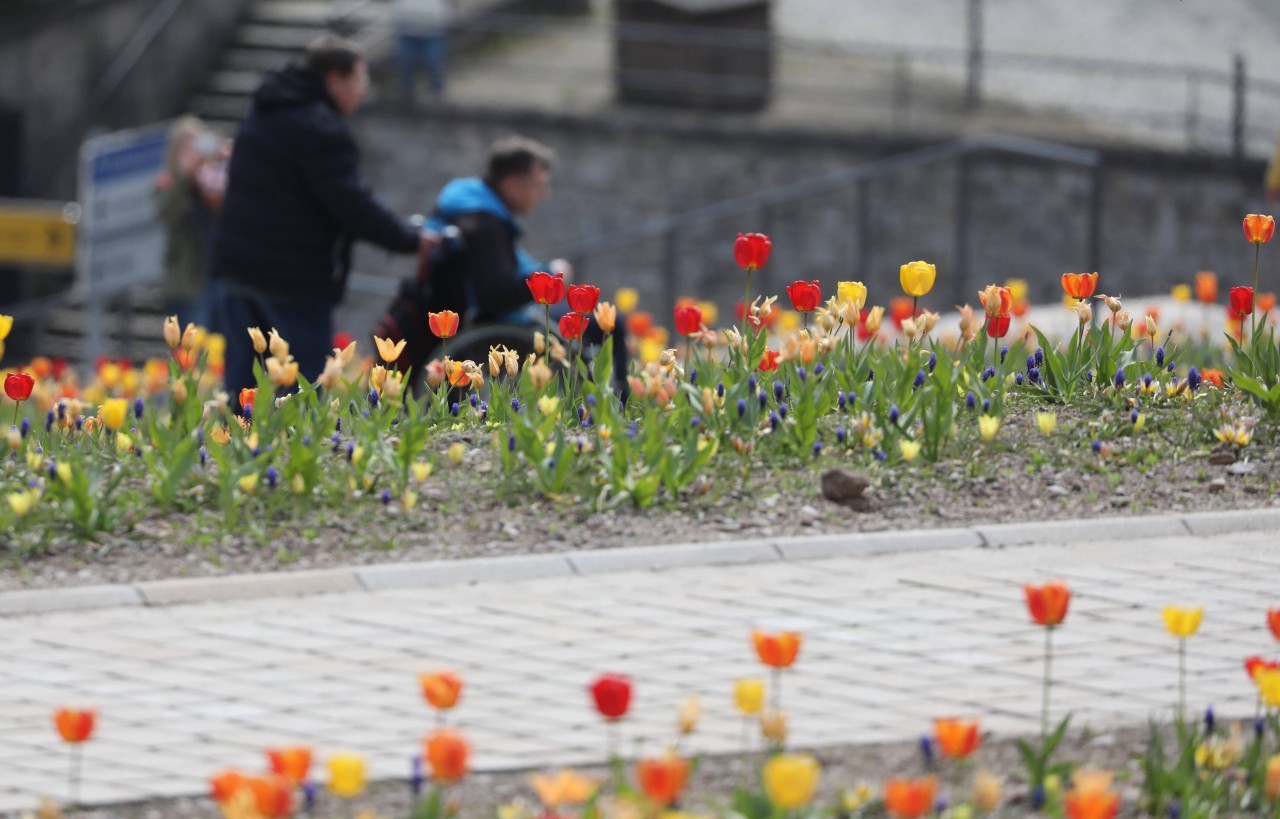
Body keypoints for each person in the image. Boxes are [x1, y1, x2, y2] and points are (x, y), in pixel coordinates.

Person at [211, 36, 430, 393]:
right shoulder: (321, 128)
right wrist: (410, 239)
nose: (363, 92)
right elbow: (351, 205)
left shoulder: (265, 112)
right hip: (291, 275)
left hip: (238, 266)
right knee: (304, 387)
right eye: (360, 81)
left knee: (244, 385)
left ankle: (241, 447)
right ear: (334, 79)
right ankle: (296, 449)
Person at [423, 136, 627, 380]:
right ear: (511, 184)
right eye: (539, 185)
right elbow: (495, 296)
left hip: (504, 318)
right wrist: (551, 277)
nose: (545, 194)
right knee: (613, 323)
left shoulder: (472, 210)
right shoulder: (482, 226)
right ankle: (622, 406)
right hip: (505, 324)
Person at [154, 117, 223, 330]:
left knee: (219, 351)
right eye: (187, 148)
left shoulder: (211, 181)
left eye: (196, 146)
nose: (193, 154)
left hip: (216, 277)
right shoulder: (167, 182)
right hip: (188, 285)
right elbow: (167, 213)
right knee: (193, 354)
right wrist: (185, 177)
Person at [392, 0, 455, 104]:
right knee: (405, 62)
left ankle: (438, 97)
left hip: (434, 32)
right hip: (407, 31)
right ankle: (406, 99)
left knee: (434, 63)